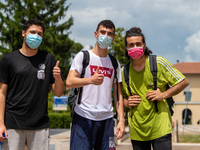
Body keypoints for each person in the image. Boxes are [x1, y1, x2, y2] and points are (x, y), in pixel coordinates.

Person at [0, 19, 64, 150]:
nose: (36, 36)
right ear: (24, 33)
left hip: (40, 124)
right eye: (32, 32)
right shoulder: (8, 59)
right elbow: (1, 92)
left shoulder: (48, 58)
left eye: (39, 34)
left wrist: (58, 78)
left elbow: (58, 93)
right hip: (12, 123)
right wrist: (1, 123)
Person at [121, 27, 188, 150]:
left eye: (138, 44)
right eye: (131, 45)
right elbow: (119, 98)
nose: (135, 47)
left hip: (160, 128)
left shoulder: (158, 63)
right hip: (137, 131)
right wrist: (126, 102)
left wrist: (163, 94)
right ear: (126, 47)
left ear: (144, 45)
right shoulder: (123, 72)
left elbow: (183, 82)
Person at [66, 20, 125, 150]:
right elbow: (69, 81)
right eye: (102, 32)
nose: (106, 36)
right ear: (96, 34)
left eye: (109, 34)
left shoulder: (114, 63)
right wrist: (90, 80)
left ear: (113, 38)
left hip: (106, 120)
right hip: (83, 117)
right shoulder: (83, 56)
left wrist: (121, 120)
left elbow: (117, 94)